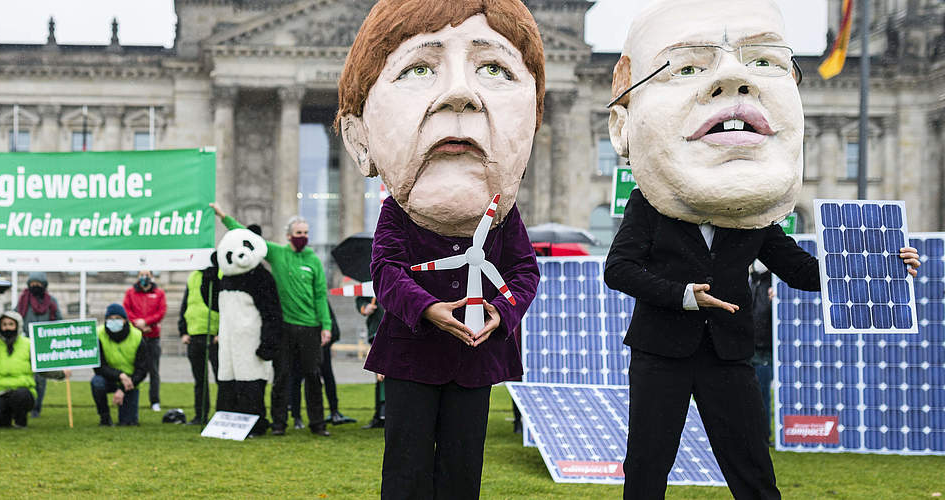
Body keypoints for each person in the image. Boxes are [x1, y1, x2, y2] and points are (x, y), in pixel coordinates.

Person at [602, 2, 920, 497]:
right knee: (646, 466)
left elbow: (801, 269)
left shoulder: (754, 213)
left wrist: (881, 267)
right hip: (661, 350)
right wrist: (686, 294)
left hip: (728, 353)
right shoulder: (649, 204)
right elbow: (619, 269)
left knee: (751, 468)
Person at [335, 0, 545, 496]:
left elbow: (524, 273)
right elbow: (385, 269)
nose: (458, 94)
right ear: (357, 134)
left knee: (462, 469)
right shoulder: (398, 211)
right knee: (405, 468)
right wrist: (428, 309)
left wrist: (500, 312)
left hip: (475, 354)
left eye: (493, 68)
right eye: (417, 69)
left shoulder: (501, 216)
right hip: (412, 352)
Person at [212, 205, 332, 437]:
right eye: (298, 233)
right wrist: (223, 216)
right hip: (285, 326)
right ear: (289, 236)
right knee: (282, 376)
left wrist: (325, 326)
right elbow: (246, 236)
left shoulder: (314, 261)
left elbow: (320, 295)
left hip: (310, 326)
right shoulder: (277, 253)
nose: (303, 237)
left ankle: (317, 423)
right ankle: (279, 422)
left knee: (313, 376)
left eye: (306, 233)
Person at [0, 311, 67, 428]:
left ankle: (21, 421)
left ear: (17, 326)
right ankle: (5, 421)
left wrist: (61, 374)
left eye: (10, 324)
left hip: (23, 392)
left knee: (20, 396)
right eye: (4, 324)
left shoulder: (29, 344)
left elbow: (42, 368)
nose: (7, 328)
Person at [289, 304, 355, 427]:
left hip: (320, 344)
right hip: (305, 342)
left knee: (323, 376)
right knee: (299, 378)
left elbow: (330, 322)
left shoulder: (319, 301)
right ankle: (298, 416)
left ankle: (331, 411)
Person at [178, 253, 221, 425]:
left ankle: (222, 413)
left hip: (215, 336)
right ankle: (200, 415)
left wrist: (222, 332)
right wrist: (183, 331)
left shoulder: (220, 275)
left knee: (221, 379)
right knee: (200, 381)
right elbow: (185, 305)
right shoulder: (193, 276)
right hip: (194, 335)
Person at [92, 303, 148, 426]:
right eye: (110, 319)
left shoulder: (137, 337)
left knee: (128, 423)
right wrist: (120, 376)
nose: (114, 321)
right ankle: (104, 418)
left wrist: (123, 388)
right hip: (109, 379)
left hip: (131, 382)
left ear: (125, 320)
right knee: (97, 383)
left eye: (118, 318)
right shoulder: (98, 335)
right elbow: (99, 367)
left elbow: (142, 370)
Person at [16, 272, 61, 418]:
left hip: (44, 345)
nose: (35, 286)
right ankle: (24, 406)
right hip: (25, 345)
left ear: (44, 285)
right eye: (32, 283)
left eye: (38, 283)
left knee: (41, 380)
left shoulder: (51, 302)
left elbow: (58, 321)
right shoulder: (23, 301)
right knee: (26, 377)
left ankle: (36, 408)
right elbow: (16, 318)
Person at [123, 269, 166, 412]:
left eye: (147, 275)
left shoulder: (159, 293)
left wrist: (147, 322)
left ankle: (155, 401)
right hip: (135, 337)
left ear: (152, 277)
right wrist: (138, 324)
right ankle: (129, 397)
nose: (144, 277)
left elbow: (161, 312)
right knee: (133, 369)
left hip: (152, 337)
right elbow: (126, 311)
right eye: (141, 275)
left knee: (154, 371)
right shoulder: (130, 293)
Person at [749, 260, 775, 444]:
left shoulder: (775, 285)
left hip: (765, 349)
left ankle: (764, 435)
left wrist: (779, 302)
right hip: (746, 348)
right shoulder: (750, 281)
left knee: (762, 392)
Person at [357, 296, 386, 429]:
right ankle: (380, 414)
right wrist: (365, 308)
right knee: (380, 377)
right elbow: (360, 301)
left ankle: (386, 414)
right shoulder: (370, 281)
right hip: (377, 332)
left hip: (396, 331)